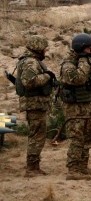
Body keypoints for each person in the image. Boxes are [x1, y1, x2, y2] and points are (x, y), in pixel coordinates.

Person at [59, 33, 91, 180]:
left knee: (87, 136)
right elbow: (78, 79)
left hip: (86, 104)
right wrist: (85, 61)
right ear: (80, 49)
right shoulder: (68, 63)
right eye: (87, 48)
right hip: (74, 107)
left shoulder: (86, 59)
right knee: (76, 138)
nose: (89, 51)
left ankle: (82, 167)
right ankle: (73, 170)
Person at [13, 35, 56, 177]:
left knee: (37, 134)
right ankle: (32, 168)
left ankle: (33, 166)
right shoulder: (31, 62)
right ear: (38, 48)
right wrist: (48, 76)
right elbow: (29, 82)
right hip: (34, 104)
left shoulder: (30, 61)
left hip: (36, 104)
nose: (45, 51)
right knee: (37, 135)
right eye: (44, 48)